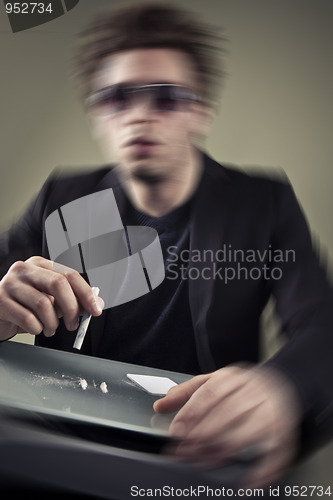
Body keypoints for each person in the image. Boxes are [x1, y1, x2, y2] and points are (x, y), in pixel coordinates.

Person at [0, 2, 332, 491]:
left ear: (201, 111)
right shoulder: (61, 195)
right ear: (97, 114)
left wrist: (286, 385)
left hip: (194, 457)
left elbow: (322, 325)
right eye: (117, 98)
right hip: (56, 445)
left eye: (167, 98)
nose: (139, 115)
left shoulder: (263, 203)